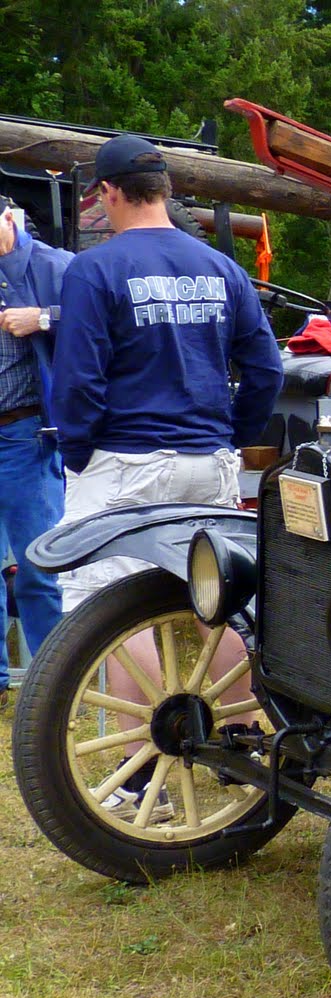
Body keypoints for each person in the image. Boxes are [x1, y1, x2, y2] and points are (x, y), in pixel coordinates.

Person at [51, 135, 282, 818]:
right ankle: (244, 743)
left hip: (124, 462)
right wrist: (233, 434)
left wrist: (77, 451)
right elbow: (266, 369)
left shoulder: (94, 271)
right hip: (207, 460)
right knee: (222, 604)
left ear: (111, 193)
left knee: (112, 614)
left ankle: (138, 763)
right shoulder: (218, 266)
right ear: (167, 189)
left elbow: (79, 382)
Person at [0, 196, 71, 709]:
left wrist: (43, 317)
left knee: (38, 567)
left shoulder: (54, 266)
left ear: (8, 218)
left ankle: (54, 690)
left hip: (25, 435)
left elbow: (107, 321)